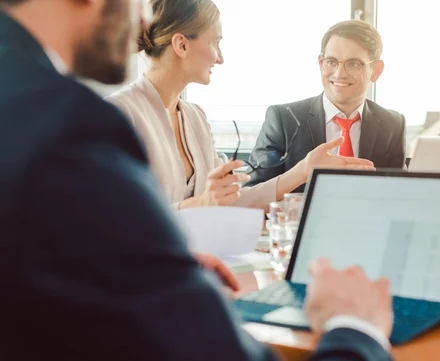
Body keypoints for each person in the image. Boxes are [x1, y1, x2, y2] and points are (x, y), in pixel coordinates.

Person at [0, 0, 394, 360]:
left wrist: (169, 262)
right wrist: (356, 327)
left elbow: (88, 253)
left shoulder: (194, 118)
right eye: (140, 1)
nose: (142, 20)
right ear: (182, 45)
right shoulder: (85, 123)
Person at [106, 0, 374, 211]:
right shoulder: (116, 115)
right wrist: (202, 203)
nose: (220, 58)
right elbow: (118, 223)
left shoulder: (194, 117)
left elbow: (230, 202)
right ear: (181, 44)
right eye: (215, 42)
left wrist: (304, 170)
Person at [246, 20, 406, 192]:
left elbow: (398, 193)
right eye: (331, 61)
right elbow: (252, 192)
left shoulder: (392, 124)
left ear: (376, 70)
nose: (339, 74)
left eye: (353, 64)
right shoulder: (283, 119)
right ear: (321, 63)